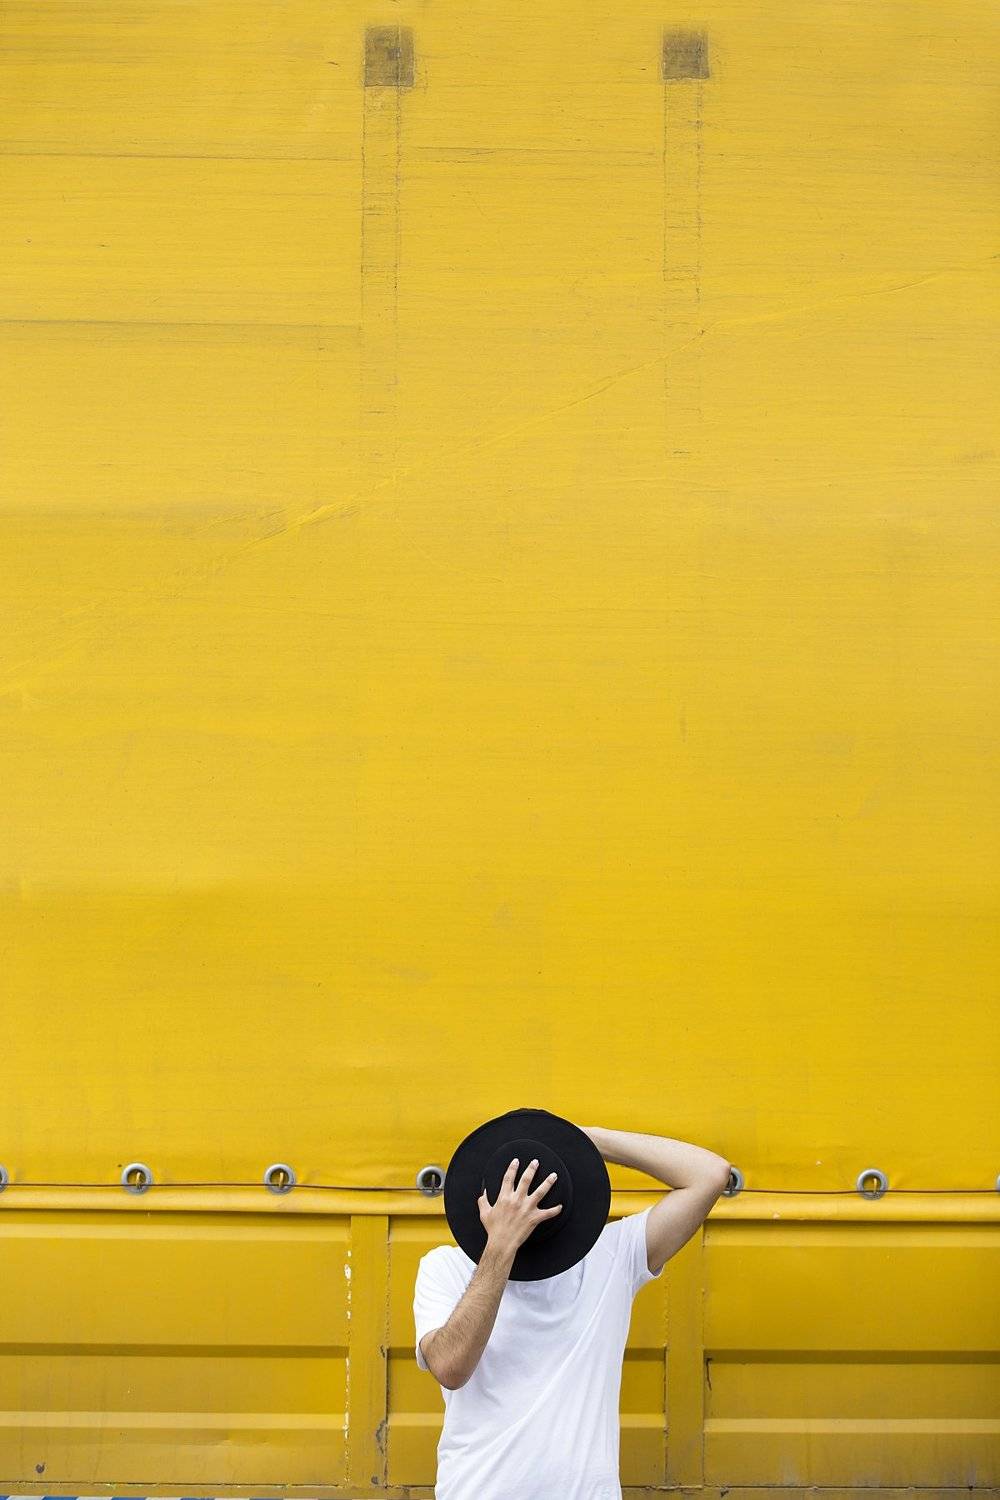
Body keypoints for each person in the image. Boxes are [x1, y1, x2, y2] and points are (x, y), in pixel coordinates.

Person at [413, 1121, 731, 1500]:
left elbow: (710, 1174)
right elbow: (450, 1368)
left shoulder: (612, 1256)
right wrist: (501, 1245)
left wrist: (585, 1140)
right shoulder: (444, 1267)